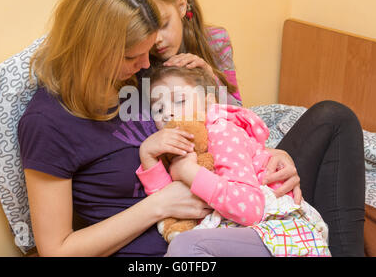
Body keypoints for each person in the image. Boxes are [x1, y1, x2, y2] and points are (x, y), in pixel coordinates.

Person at [123, 0, 365, 256]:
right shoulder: (136, 63)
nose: (157, 39)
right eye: (147, 31)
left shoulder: (215, 42)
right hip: (205, 183)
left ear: (181, 5)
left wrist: (212, 83)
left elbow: (239, 119)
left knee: (335, 116)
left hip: (240, 165)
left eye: (163, 24)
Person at [18, 0, 214, 257]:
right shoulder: (47, 123)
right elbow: (56, 250)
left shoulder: (139, 76)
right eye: (132, 57)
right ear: (91, 53)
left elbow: (213, 128)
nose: (147, 63)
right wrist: (159, 205)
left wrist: (209, 82)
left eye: (147, 51)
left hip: (213, 224)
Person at [135, 65, 331, 257]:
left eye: (179, 100)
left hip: (276, 230)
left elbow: (251, 208)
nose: (168, 113)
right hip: (234, 230)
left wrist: (190, 173)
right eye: (158, 109)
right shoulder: (180, 147)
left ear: (208, 102)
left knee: (184, 249)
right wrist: (148, 157)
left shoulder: (222, 131)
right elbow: (167, 201)